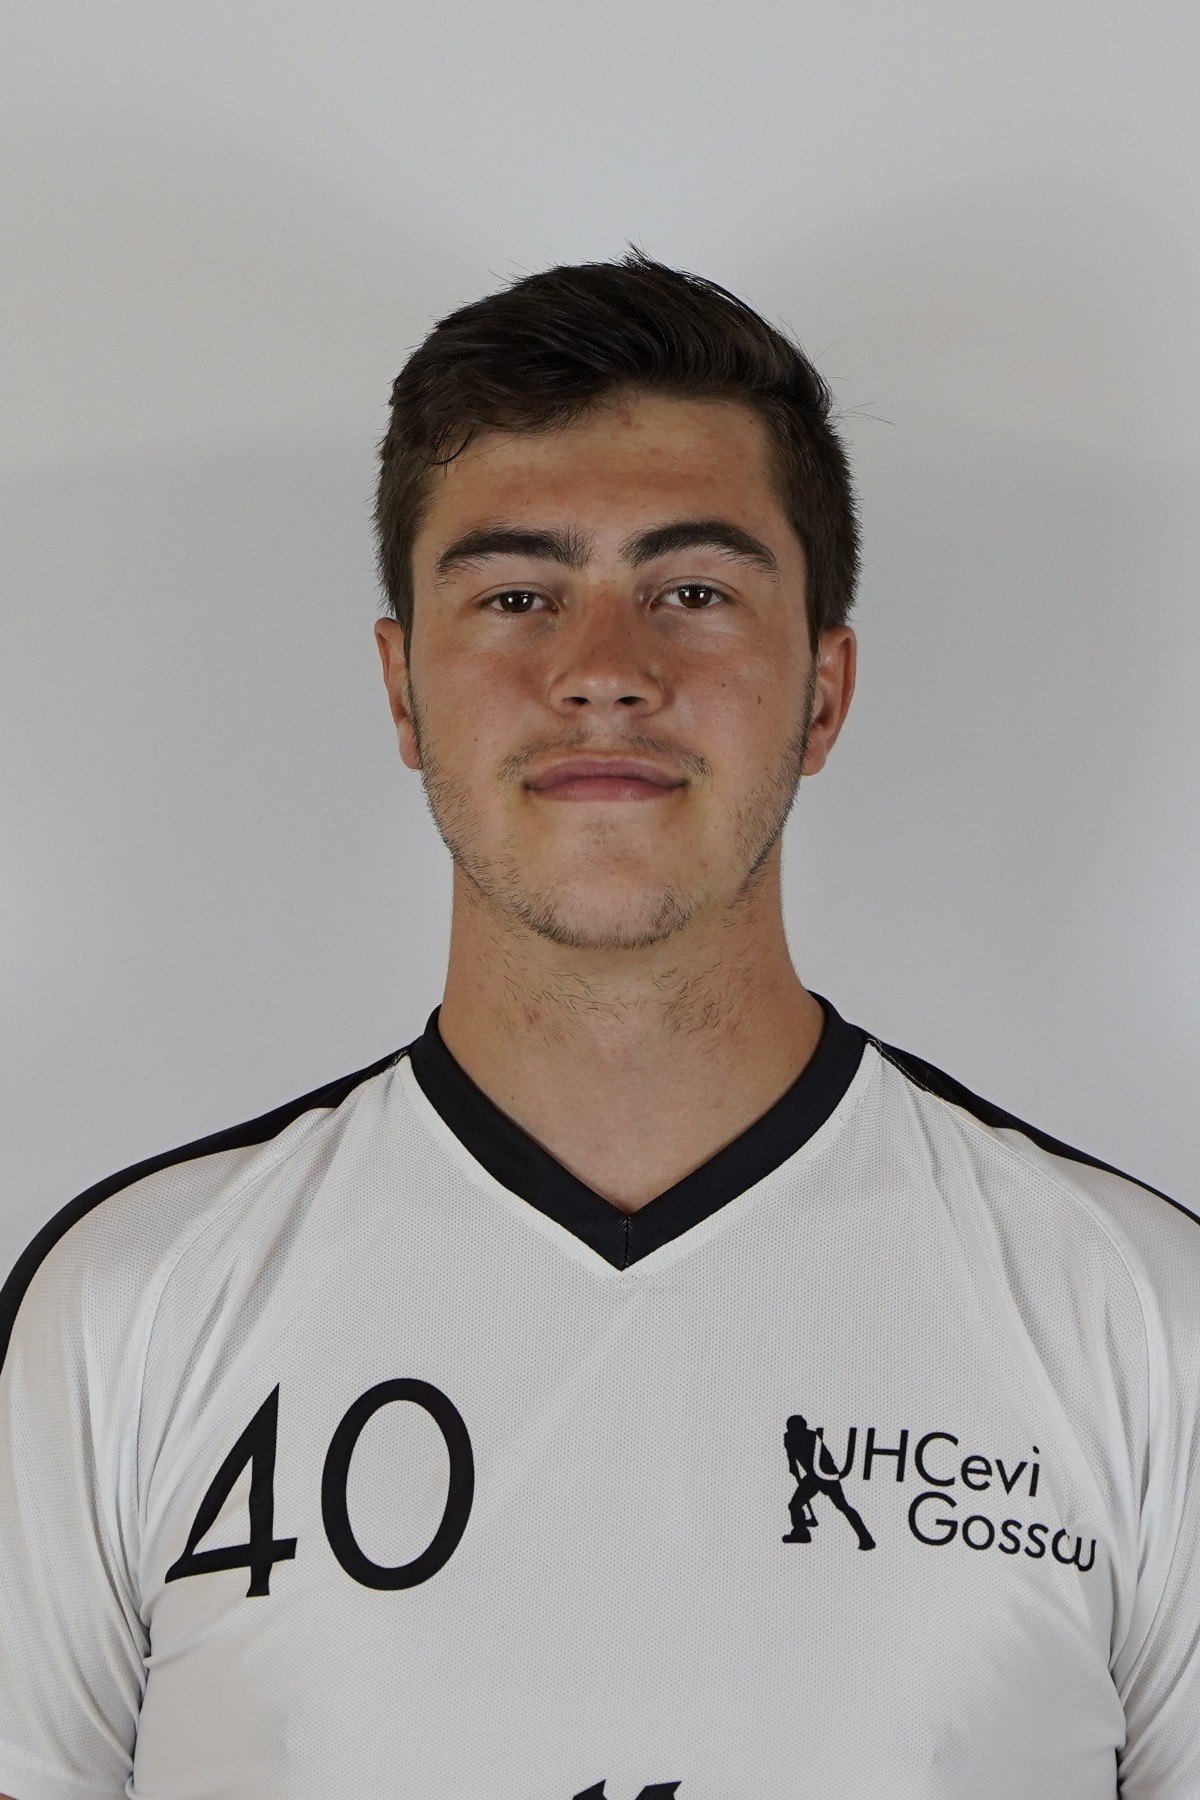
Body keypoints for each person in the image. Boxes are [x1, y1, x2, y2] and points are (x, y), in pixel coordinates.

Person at [0, 251, 1196, 1800]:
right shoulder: (129, 1308)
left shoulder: (1136, 1319)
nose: (604, 673)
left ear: (824, 691)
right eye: (517, 595)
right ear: (403, 690)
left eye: (693, 592)